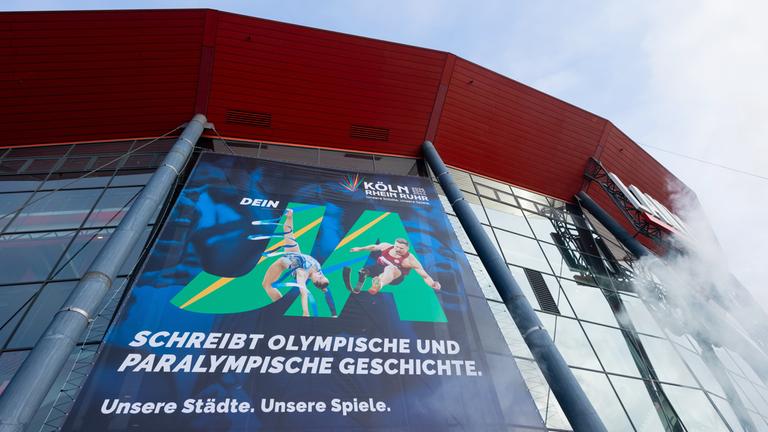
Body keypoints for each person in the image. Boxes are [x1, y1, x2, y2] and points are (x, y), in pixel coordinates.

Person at [261, 209, 330, 316]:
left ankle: (279, 305)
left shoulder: (302, 274)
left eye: (320, 277)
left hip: (284, 262)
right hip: (294, 252)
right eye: (323, 275)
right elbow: (320, 282)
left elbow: (303, 293)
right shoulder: (317, 269)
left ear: (313, 281)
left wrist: (305, 312)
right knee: (287, 231)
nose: (321, 274)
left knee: (266, 285)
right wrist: (324, 288)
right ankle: (290, 215)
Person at [349, 238, 440, 294]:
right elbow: (373, 247)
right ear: (394, 244)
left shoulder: (410, 260)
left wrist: (432, 284)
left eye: (401, 248)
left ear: (407, 249)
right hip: (379, 270)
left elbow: (424, 275)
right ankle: (362, 281)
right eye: (396, 246)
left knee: (390, 268)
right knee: (364, 270)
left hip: (396, 277)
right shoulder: (386, 246)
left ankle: (379, 284)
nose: (398, 249)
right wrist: (359, 249)